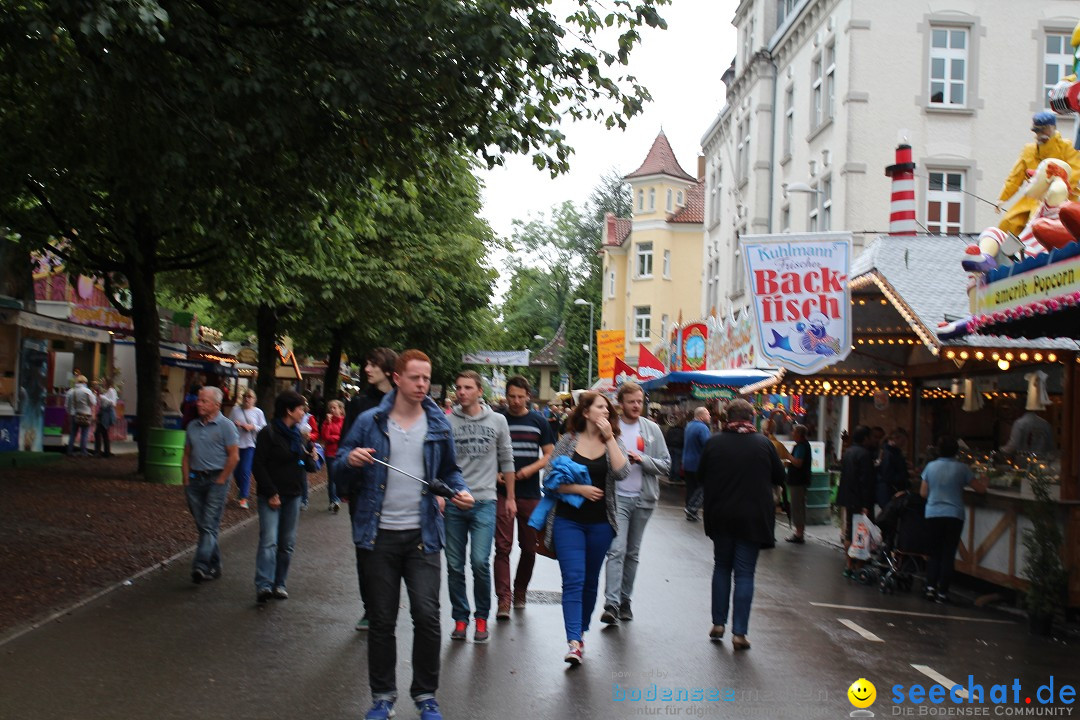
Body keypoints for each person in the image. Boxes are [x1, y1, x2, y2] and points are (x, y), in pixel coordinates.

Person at [335, 349, 474, 720]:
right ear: (396, 378)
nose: (422, 385)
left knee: (428, 616)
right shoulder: (369, 421)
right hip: (377, 535)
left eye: (426, 378)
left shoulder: (438, 424)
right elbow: (338, 469)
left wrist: (458, 491)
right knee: (381, 620)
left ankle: (426, 695)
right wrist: (349, 461)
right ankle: (383, 697)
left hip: (423, 536)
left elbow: (449, 471)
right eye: (415, 378)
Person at [545, 391, 628, 666]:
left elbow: (621, 472)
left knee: (590, 580)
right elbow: (549, 480)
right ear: (585, 412)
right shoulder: (568, 441)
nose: (606, 412)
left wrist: (610, 438)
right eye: (600, 407)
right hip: (568, 521)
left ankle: (580, 632)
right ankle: (573, 641)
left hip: (601, 524)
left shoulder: (614, 441)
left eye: (608, 409)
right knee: (574, 578)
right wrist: (578, 488)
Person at [698, 399, 784, 651]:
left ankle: (718, 623)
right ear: (751, 418)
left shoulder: (714, 442)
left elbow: (700, 475)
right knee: (745, 573)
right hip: (753, 518)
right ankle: (739, 633)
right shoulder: (763, 444)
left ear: (727, 418)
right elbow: (780, 477)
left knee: (722, 566)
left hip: (721, 515)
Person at [445, 371, 515, 643]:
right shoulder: (447, 421)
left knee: (479, 561)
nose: (461, 392)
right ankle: (460, 618)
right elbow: (440, 461)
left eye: (467, 388)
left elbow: (506, 459)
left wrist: (509, 496)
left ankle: (482, 616)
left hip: (485, 501)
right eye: (458, 387)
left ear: (479, 391)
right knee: (454, 565)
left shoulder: (498, 421)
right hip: (455, 501)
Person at [337, 347, 397, 632]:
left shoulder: (404, 403)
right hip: (364, 488)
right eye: (366, 364)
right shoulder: (358, 405)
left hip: (396, 489)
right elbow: (345, 449)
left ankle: (385, 605)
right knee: (365, 549)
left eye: (373, 364)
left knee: (391, 549)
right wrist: (346, 481)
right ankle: (370, 608)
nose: (367, 369)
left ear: (388, 370)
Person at [601, 381, 669, 625]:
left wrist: (643, 459)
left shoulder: (651, 430)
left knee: (632, 552)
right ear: (621, 404)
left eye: (640, 401)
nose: (636, 406)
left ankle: (625, 600)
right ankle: (611, 603)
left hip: (643, 498)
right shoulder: (611, 428)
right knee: (616, 550)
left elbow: (666, 464)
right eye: (631, 402)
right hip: (617, 497)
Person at [494, 376, 555, 618]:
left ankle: (520, 590)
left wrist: (531, 469)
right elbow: (488, 453)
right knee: (502, 547)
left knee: (530, 547)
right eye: (512, 396)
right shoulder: (498, 421)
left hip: (530, 493)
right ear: (506, 396)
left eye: (521, 396)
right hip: (501, 492)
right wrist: (496, 473)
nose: (516, 401)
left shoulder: (539, 422)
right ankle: (504, 599)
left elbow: (549, 454)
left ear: (528, 396)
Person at [252, 390, 319, 602]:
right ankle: (264, 584)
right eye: (300, 409)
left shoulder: (299, 436)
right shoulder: (268, 433)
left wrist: (312, 456)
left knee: (287, 542)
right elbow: (258, 464)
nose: (303, 413)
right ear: (289, 410)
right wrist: (271, 492)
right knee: (269, 540)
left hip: (293, 494)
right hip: (271, 495)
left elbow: (307, 466)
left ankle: (279, 583)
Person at [181, 387, 240, 584]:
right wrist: (186, 480)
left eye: (204, 401)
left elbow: (234, 456)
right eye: (199, 400)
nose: (198, 403)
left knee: (209, 524)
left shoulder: (227, 426)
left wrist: (222, 479)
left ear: (216, 404)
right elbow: (186, 454)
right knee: (204, 526)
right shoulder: (192, 426)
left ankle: (200, 565)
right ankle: (215, 564)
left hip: (217, 479)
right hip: (195, 480)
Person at [920, 435, 985, 603]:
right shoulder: (962, 469)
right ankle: (942, 593)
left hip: (933, 513)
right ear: (957, 451)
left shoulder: (930, 467)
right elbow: (980, 490)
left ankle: (930, 588)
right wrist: (985, 481)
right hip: (954, 514)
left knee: (934, 553)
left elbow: (923, 493)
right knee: (948, 554)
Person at [997, 112, 1080, 236]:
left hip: (1062, 199)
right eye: (1037, 131)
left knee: (1038, 223)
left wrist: (1058, 189)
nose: (1040, 134)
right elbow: (1015, 177)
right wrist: (1002, 198)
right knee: (1009, 222)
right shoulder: (1029, 150)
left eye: (1043, 130)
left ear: (1053, 128)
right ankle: (1010, 252)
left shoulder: (1066, 147)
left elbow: (1074, 172)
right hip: (1033, 197)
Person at [837, 425, 877, 578]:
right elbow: (865, 481)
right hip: (860, 499)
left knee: (849, 533)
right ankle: (859, 566)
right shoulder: (865, 455)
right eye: (871, 437)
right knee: (862, 533)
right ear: (865, 438)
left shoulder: (849, 452)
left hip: (848, 497)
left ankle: (848, 565)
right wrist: (866, 504)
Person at [229, 389, 267, 509]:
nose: (247, 398)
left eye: (250, 397)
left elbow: (264, 428)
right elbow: (228, 424)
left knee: (245, 471)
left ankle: (244, 498)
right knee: (236, 471)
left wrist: (252, 427)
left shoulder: (258, 412)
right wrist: (235, 425)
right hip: (236, 444)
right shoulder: (236, 410)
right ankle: (241, 490)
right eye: (245, 396)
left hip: (250, 445)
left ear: (254, 399)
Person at [681, 407, 711, 521]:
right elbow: (707, 445)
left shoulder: (689, 426)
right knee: (703, 486)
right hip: (698, 463)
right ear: (701, 416)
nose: (710, 416)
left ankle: (689, 510)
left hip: (687, 462)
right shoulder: (702, 428)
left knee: (691, 488)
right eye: (708, 414)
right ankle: (692, 508)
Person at [784, 424, 812, 544]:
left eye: (794, 432)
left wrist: (787, 456)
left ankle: (799, 533)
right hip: (800, 480)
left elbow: (798, 463)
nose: (792, 434)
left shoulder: (801, 446)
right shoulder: (802, 446)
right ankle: (799, 532)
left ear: (800, 435)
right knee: (798, 506)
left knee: (797, 507)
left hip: (798, 481)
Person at [876, 428, 909, 513]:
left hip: (891, 490)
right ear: (896, 439)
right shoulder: (888, 453)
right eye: (903, 440)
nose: (904, 444)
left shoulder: (893, 452)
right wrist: (902, 476)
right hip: (889, 491)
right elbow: (887, 474)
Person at [322, 399, 346, 512]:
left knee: (340, 476)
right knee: (332, 478)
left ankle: (340, 497)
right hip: (330, 453)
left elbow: (344, 436)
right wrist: (328, 423)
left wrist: (335, 438)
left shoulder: (344, 422)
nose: (332, 410)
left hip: (341, 453)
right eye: (330, 408)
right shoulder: (327, 422)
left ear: (341, 409)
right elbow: (325, 437)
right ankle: (334, 500)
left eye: (334, 408)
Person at [65, 375, 96, 456]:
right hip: (86, 414)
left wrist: (70, 413)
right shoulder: (87, 391)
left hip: (74, 414)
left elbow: (66, 405)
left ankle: (69, 451)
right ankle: (83, 451)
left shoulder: (71, 391)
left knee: (72, 434)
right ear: (85, 382)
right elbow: (93, 402)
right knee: (84, 433)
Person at [93, 378, 118, 458]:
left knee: (98, 432)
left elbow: (112, 403)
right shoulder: (107, 391)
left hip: (106, 414)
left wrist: (102, 397)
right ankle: (106, 452)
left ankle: (98, 452)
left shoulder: (111, 391)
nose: (102, 383)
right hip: (103, 413)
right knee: (104, 433)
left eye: (103, 381)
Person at [664, 411, 685, 485]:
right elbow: (683, 439)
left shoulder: (670, 430)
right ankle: (676, 477)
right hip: (678, 448)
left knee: (671, 462)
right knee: (677, 462)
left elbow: (667, 438)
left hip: (670, 447)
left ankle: (671, 475)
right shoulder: (682, 431)